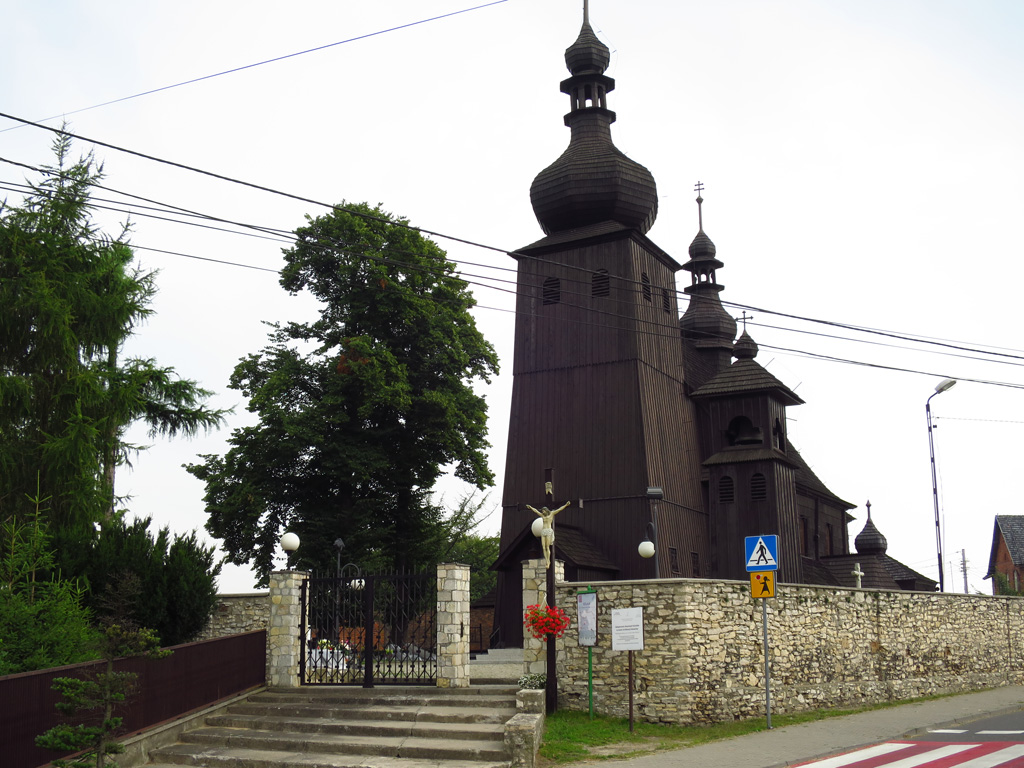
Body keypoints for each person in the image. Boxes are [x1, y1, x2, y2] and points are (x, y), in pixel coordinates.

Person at [526, 501, 571, 568]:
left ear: (546, 510)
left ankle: (548, 561)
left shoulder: (552, 514)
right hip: (543, 531)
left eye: (543, 511)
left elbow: (559, 509)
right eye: (542, 511)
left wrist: (566, 505)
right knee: (543, 547)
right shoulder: (542, 516)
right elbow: (536, 511)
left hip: (548, 531)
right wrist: (531, 507)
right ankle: (547, 560)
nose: (543, 512)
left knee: (547, 547)